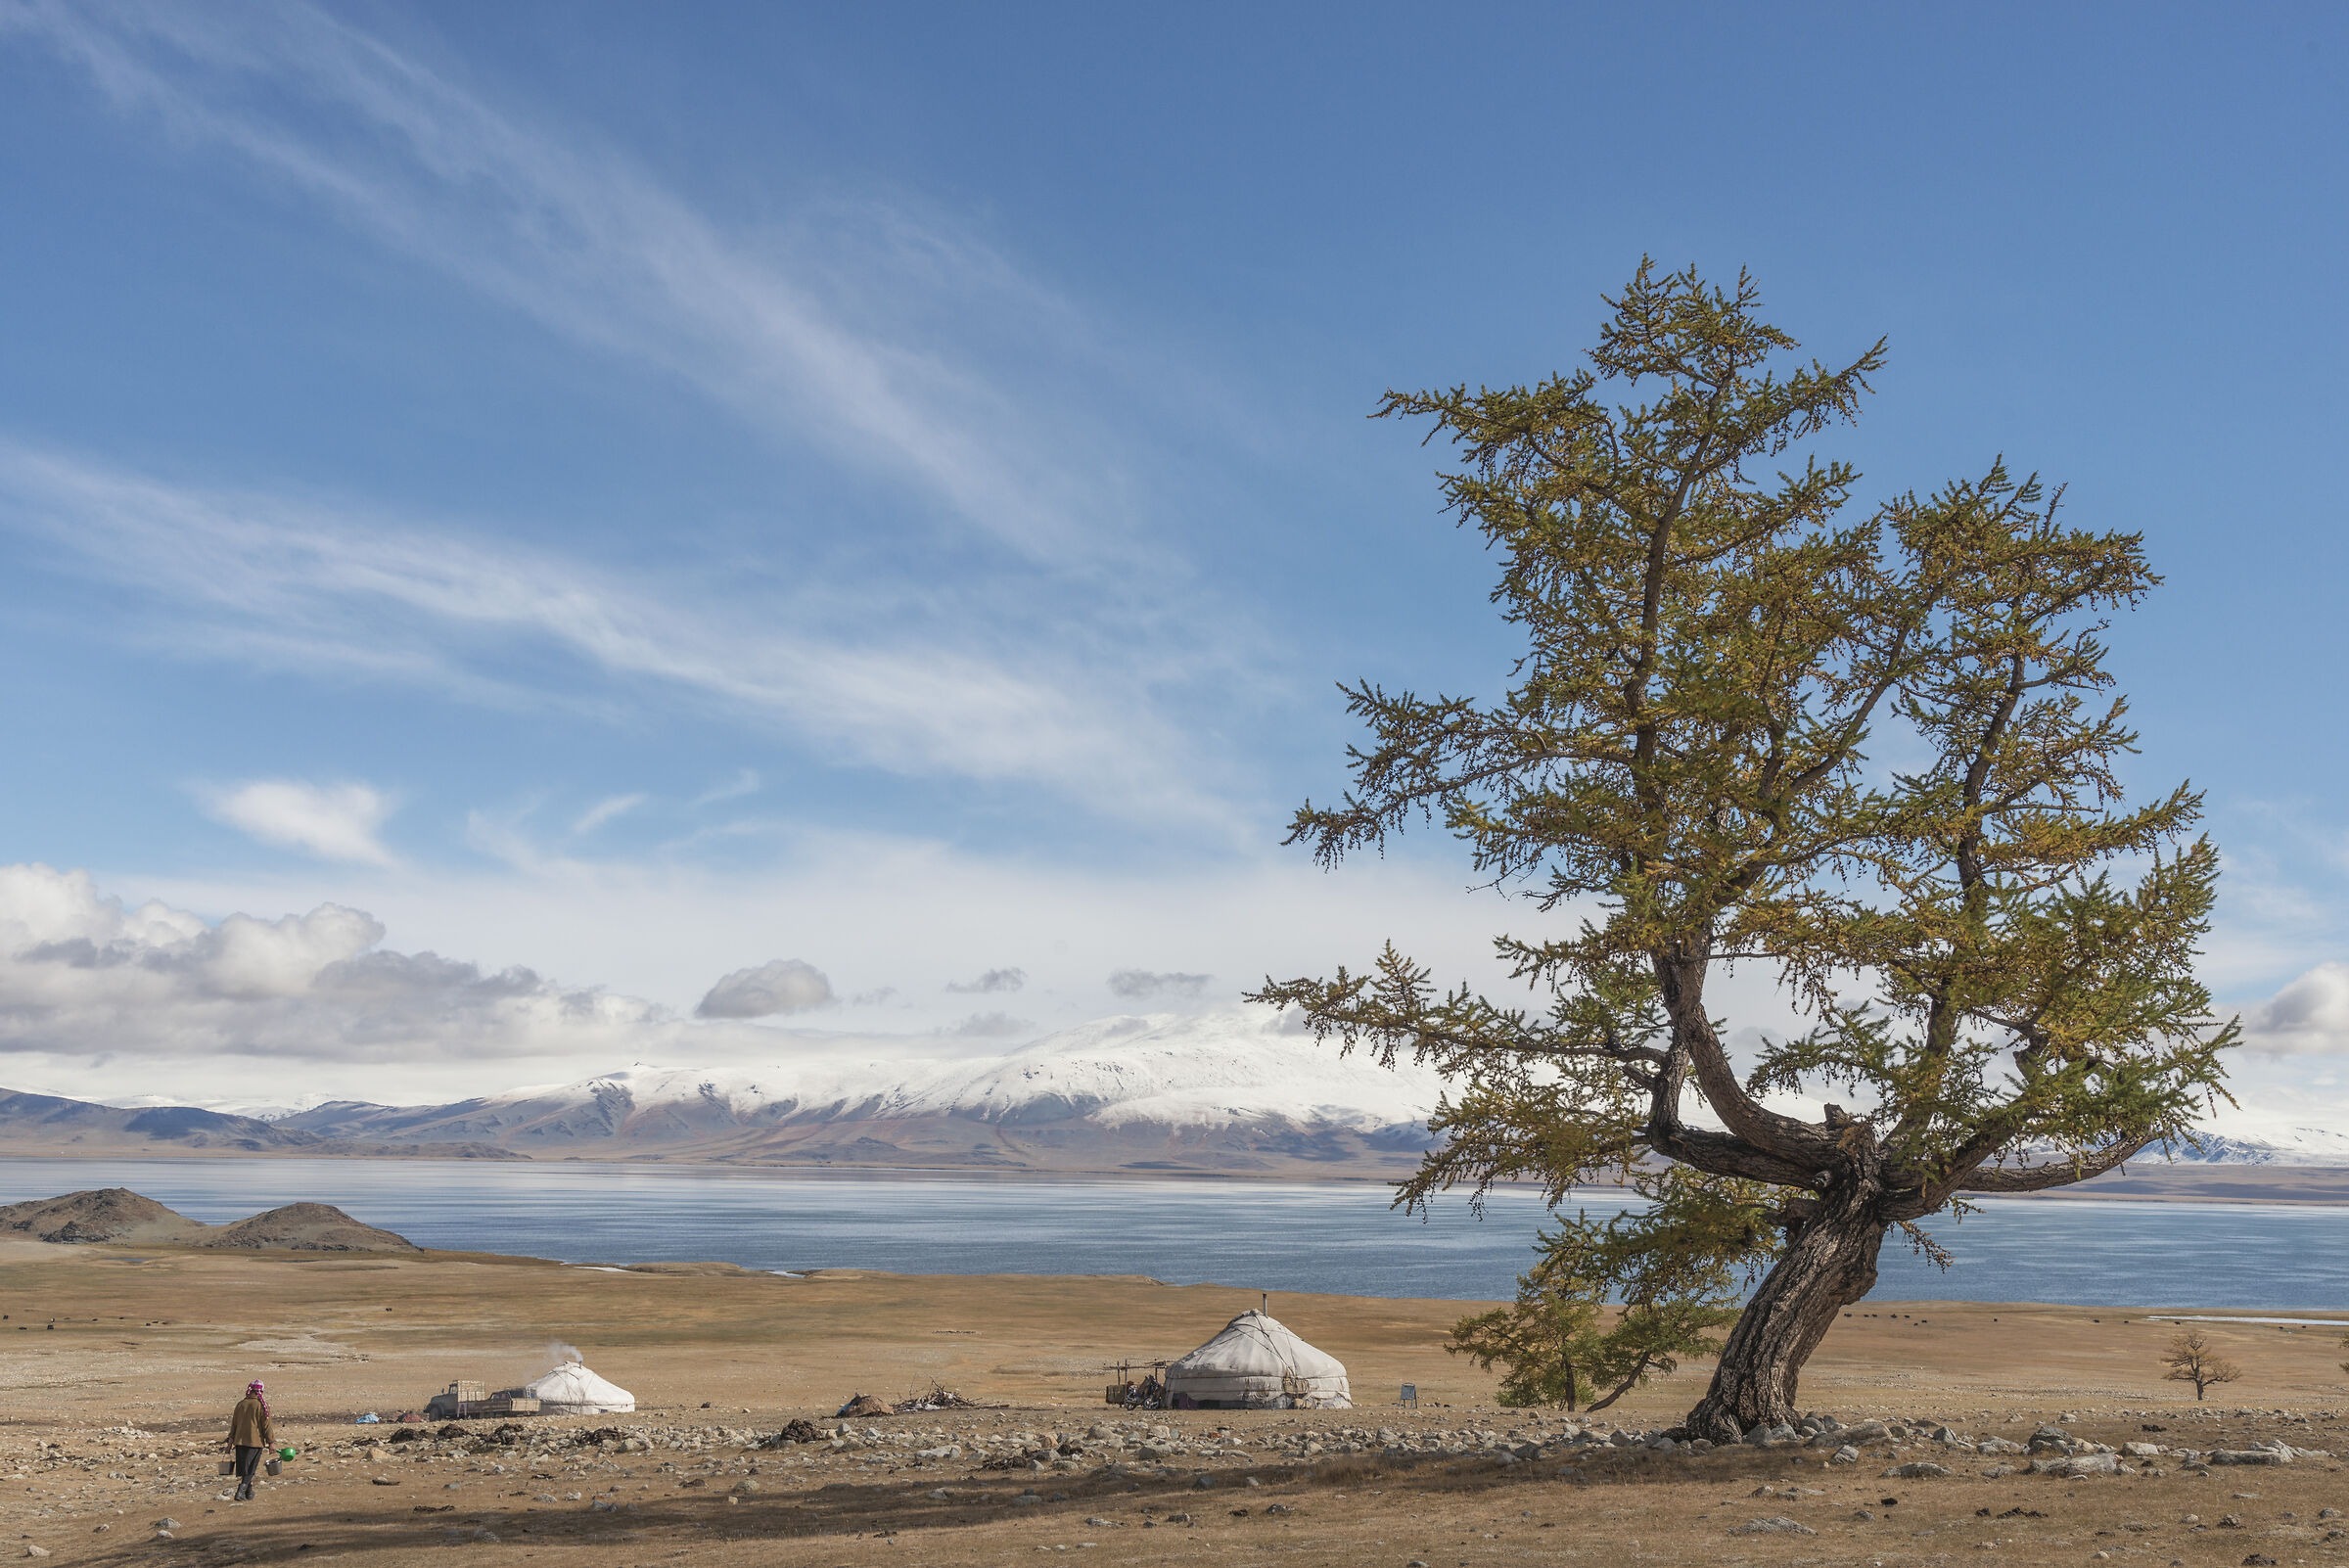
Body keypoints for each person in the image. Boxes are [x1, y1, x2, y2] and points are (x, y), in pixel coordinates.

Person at [226, 1381, 275, 1501]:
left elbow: (234, 1425)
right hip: (254, 1442)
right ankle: (240, 1492)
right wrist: (271, 1442)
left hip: (240, 1442)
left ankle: (249, 1492)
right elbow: (267, 1426)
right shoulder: (261, 1406)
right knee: (250, 1469)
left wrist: (230, 1443)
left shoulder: (240, 1404)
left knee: (244, 1468)